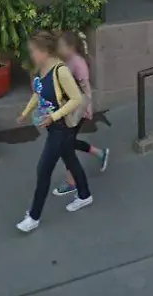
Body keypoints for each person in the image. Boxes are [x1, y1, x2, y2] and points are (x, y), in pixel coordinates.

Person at [15, 31, 92, 232]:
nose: (32, 55)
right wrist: (25, 113)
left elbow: (76, 98)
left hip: (61, 128)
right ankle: (84, 195)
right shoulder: (42, 69)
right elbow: (38, 93)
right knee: (70, 159)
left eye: (34, 51)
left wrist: (54, 116)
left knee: (43, 170)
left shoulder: (61, 70)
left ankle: (34, 216)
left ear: (45, 51)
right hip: (53, 126)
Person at [52, 31, 109, 197]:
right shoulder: (66, 60)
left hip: (78, 110)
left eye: (61, 46)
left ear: (71, 47)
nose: (59, 48)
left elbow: (85, 88)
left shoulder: (78, 63)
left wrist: (87, 108)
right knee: (67, 143)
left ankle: (72, 182)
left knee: (65, 145)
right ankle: (99, 154)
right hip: (69, 108)